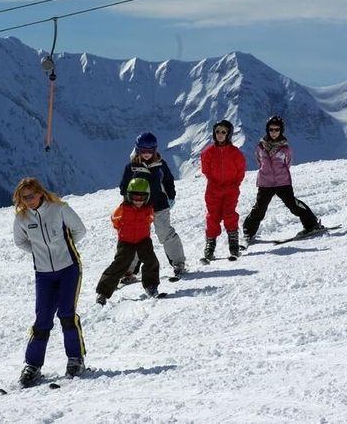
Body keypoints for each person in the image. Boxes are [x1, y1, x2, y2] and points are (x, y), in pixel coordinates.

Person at [12, 177, 87, 388]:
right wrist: (39, 252)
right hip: (43, 274)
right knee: (42, 318)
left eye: (32, 195)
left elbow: (80, 230)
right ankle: (32, 366)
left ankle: (75, 359)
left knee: (66, 314)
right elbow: (20, 242)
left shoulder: (59, 208)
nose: (29, 201)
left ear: (40, 193)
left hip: (69, 269)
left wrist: (64, 247)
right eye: (24, 198)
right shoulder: (22, 217)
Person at [243, 115, 321, 243]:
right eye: (271, 129)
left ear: (281, 130)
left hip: (282, 182)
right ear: (267, 130)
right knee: (259, 209)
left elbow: (288, 163)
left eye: (277, 129)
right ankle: (247, 233)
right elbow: (259, 161)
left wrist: (279, 174)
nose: (274, 132)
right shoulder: (260, 147)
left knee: (293, 205)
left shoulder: (285, 148)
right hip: (265, 183)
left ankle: (312, 225)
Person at [119, 132, 185, 279]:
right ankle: (129, 271)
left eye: (150, 150)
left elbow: (168, 182)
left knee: (165, 233)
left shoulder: (160, 165)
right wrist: (128, 200)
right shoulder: (132, 167)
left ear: (155, 150)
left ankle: (178, 262)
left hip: (160, 205)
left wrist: (171, 196)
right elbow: (124, 186)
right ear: (137, 150)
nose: (147, 154)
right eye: (143, 150)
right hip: (139, 208)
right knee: (136, 237)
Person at [95, 178, 160, 305]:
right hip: (126, 241)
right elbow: (115, 220)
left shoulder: (148, 209)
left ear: (147, 197)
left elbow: (151, 219)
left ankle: (151, 286)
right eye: (135, 197)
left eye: (142, 198)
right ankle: (103, 292)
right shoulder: (123, 209)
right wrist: (122, 231)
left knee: (151, 261)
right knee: (120, 264)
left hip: (143, 240)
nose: (138, 201)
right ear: (129, 196)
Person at [201, 119, 246, 259]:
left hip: (231, 190)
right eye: (218, 132)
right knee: (212, 217)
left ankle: (233, 244)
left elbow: (240, 171)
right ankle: (210, 245)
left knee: (229, 214)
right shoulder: (208, 152)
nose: (220, 134)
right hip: (213, 190)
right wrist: (214, 182)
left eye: (223, 132)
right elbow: (205, 169)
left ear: (229, 134)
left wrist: (234, 184)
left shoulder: (235, 153)